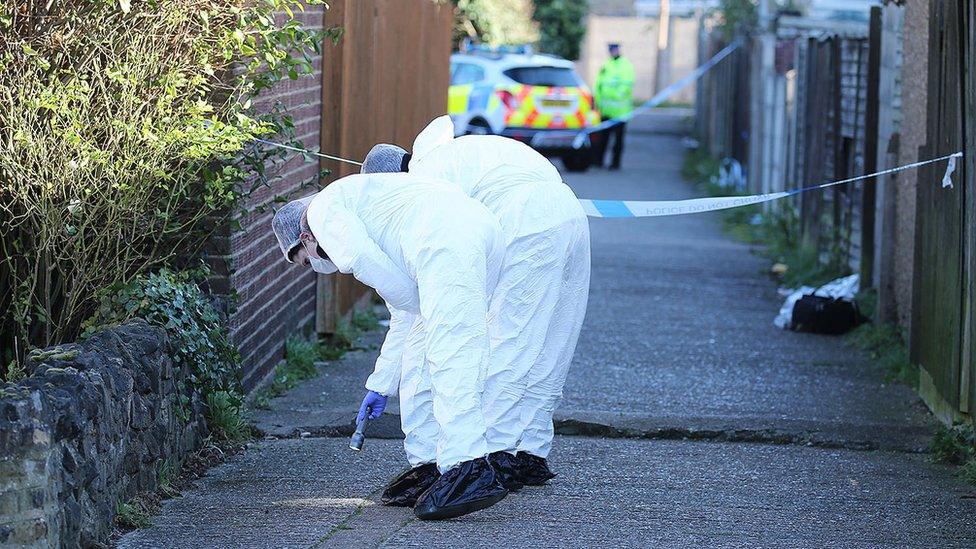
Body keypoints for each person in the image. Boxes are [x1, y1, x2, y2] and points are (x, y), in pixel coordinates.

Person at [361, 116, 591, 500]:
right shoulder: (457, 155)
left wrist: (385, 384)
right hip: (569, 214)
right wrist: (381, 383)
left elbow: (413, 313)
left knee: (508, 338)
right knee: (551, 340)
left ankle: (497, 455)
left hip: (523, 221)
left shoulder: (424, 186)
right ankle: (527, 451)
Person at [272, 173, 509, 521]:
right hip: (469, 233)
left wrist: (419, 302)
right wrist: (380, 384)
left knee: (450, 353)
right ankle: (430, 464)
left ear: (305, 237)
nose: (317, 267)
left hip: (446, 240)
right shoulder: (370, 213)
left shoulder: (322, 211)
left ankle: (469, 467)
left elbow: (357, 259)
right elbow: (404, 317)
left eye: (307, 260)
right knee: (419, 358)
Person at [593, 43, 635, 170]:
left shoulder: (626, 65)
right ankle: (598, 161)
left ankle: (615, 163)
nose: (613, 52)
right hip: (605, 110)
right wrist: (598, 102)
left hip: (620, 112)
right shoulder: (607, 64)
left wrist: (612, 95)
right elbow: (599, 84)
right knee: (602, 138)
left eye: (615, 50)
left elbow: (627, 86)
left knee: (618, 141)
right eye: (611, 50)